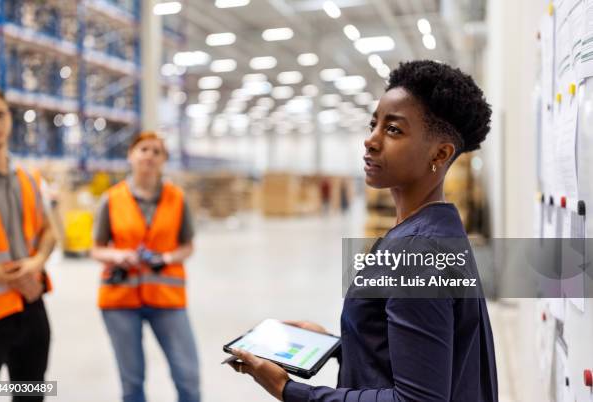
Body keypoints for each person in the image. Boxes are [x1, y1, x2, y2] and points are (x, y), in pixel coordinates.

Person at [227, 60, 498, 402]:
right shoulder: (432, 228)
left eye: (394, 130)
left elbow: (418, 400)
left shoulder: (417, 252)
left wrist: (289, 390)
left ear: (440, 154)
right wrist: (343, 343)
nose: (370, 141)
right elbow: (416, 356)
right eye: (374, 125)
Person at [91, 131, 200, 402]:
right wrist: (117, 256)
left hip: (167, 299)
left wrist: (166, 259)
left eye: (157, 151)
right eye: (143, 150)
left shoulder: (177, 198)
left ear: (164, 160)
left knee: (188, 377)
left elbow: (187, 245)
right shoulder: (112, 199)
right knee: (132, 383)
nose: (149, 156)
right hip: (120, 301)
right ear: (131, 155)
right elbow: (96, 248)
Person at [0, 87, 56, 401]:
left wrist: (36, 264)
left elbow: (49, 231)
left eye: (0, 115)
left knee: (31, 391)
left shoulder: (30, 177)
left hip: (32, 307)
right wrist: (12, 277)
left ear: (10, 120)